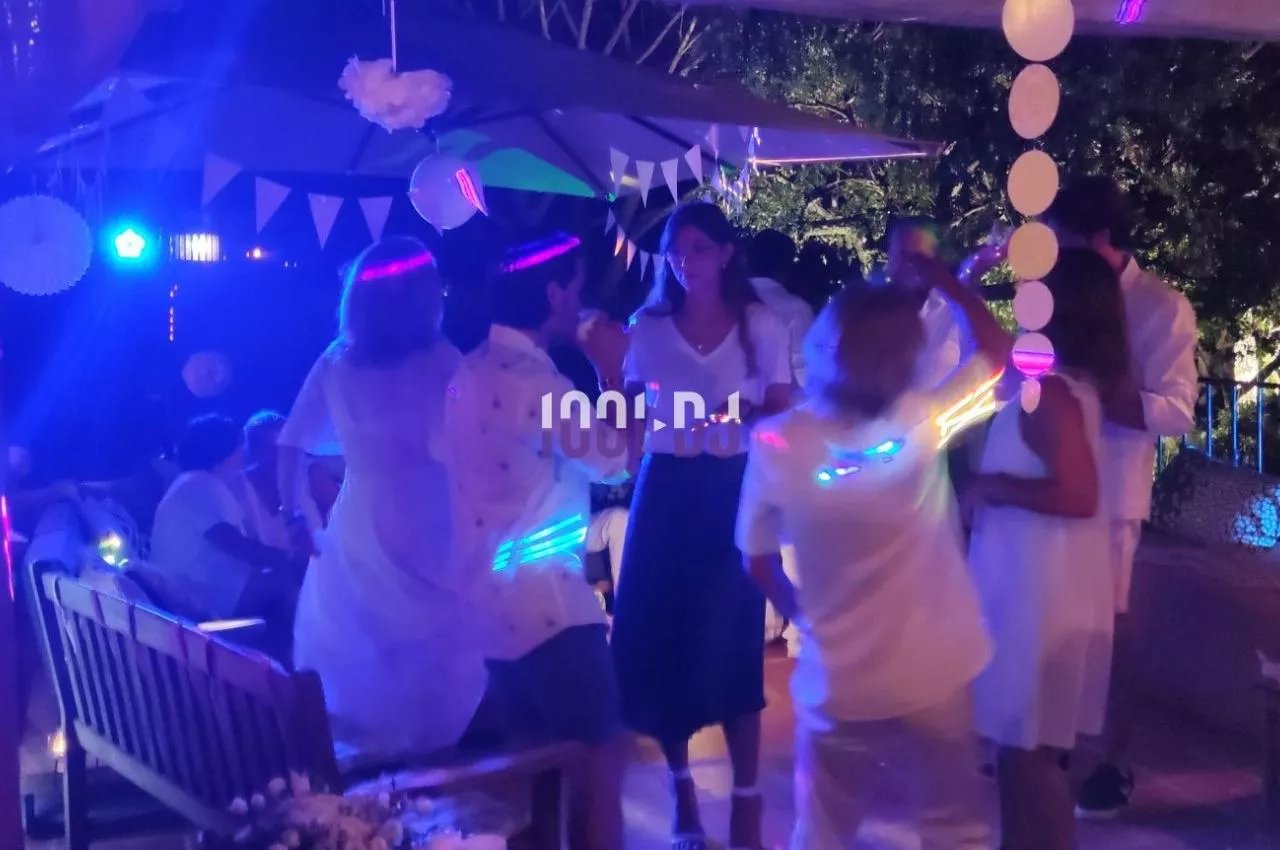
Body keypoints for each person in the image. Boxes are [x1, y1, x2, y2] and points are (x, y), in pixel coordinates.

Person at [737, 253, 1010, 850]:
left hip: (841, 677)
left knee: (823, 833)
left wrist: (804, 613)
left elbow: (755, 557)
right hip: (937, 668)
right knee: (957, 831)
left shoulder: (776, 442)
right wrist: (947, 280)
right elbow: (996, 354)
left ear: (824, 344)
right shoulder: (923, 422)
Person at [611, 202, 793, 850]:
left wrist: (740, 414)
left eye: (698, 248)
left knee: (731, 637)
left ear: (725, 253)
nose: (687, 261)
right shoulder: (648, 327)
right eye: (676, 250)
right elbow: (629, 414)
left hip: (732, 488)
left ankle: (747, 799)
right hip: (665, 487)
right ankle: (680, 788)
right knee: (663, 636)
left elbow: (783, 412)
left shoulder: (759, 324)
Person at [443, 232, 632, 850]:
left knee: (537, 769)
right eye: (575, 287)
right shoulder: (539, 386)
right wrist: (615, 371)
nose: (579, 300)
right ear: (553, 294)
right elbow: (616, 457)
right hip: (548, 605)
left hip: (486, 598)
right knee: (600, 757)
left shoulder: (467, 371)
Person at [276, 237, 486, 759]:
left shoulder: (336, 362)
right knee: (439, 644)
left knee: (363, 643)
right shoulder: (444, 360)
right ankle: (430, 765)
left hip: (364, 514)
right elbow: (474, 442)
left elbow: (291, 443)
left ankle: (380, 771)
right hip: (435, 515)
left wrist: (294, 516)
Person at [967, 249, 1133, 850]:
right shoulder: (1055, 384)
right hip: (1034, 585)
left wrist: (991, 485)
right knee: (1020, 754)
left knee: (1031, 755)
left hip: (1040, 597)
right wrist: (958, 279)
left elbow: (1079, 494)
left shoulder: (1054, 394)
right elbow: (987, 340)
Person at [1045, 177, 1199, 819]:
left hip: (1112, 490)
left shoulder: (1162, 307)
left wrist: (1100, 388)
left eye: (1064, 241)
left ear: (1101, 238)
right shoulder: (1057, 294)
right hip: (1053, 479)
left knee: (1110, 627)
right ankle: (1049, 747)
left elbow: (1179, 412)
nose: (1055, 253)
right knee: (1050, 619)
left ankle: (1115, 760)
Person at [147, 414, 302, 625]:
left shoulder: (200, 482)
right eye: (238, 444)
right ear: (220, 449)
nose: (244, 451)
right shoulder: (199, 484)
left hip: (205, 588)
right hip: (200, 595)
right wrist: (287, 558)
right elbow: (231, 543)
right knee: (283, 581)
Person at [747, 229, 814, 388]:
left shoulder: (726, 299)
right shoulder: (797, 310)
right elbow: (804, 375)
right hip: (780, 400)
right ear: (788, 267)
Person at [243, 410, 289, 549]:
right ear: (252, 450)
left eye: (281, 449)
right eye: (268, 449)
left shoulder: (310, 475)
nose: (276, 457)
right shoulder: (240, 486)